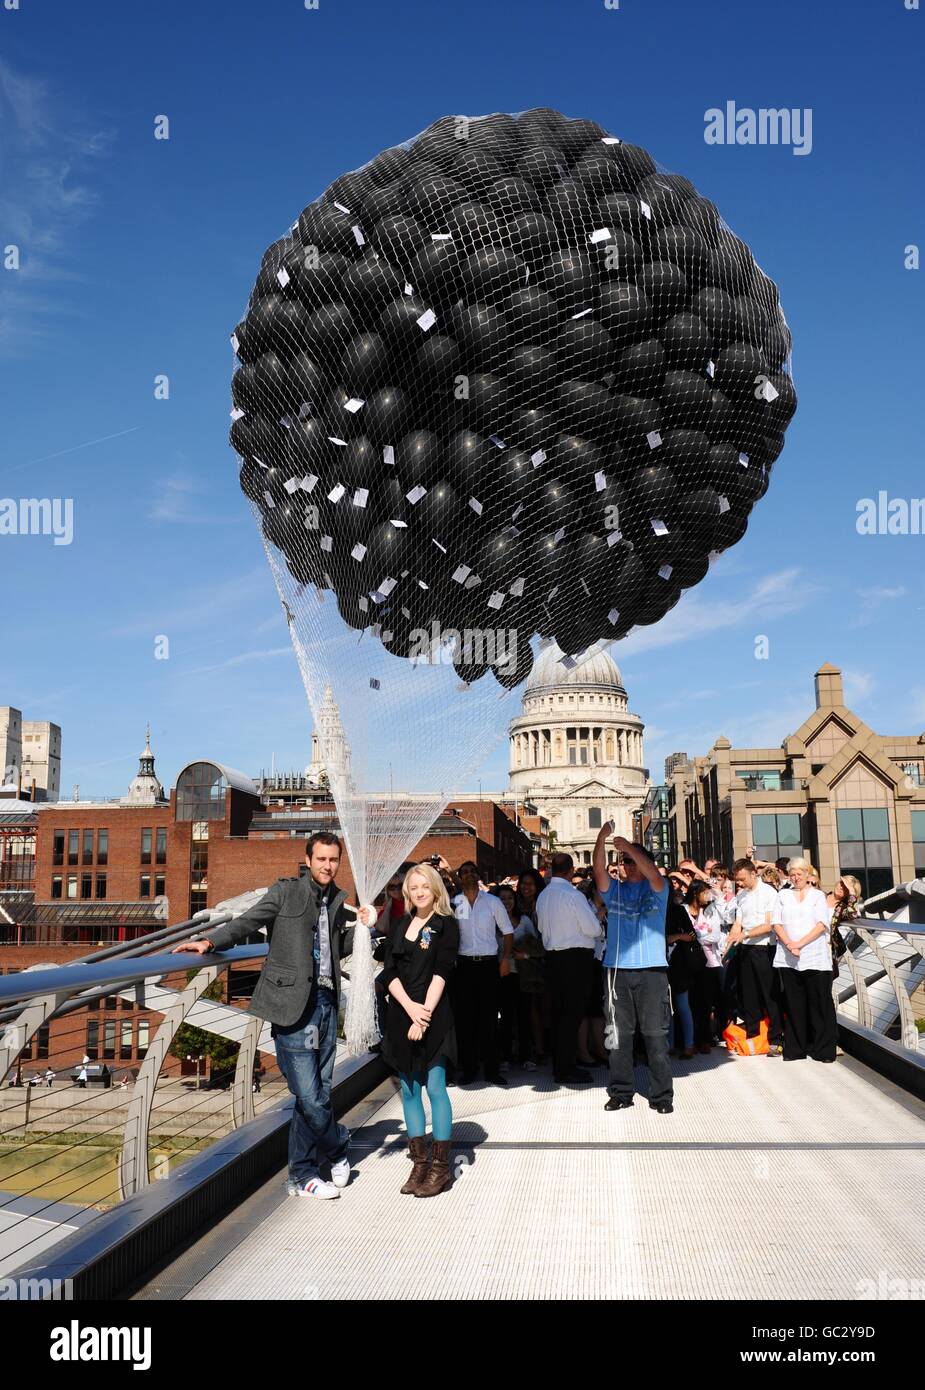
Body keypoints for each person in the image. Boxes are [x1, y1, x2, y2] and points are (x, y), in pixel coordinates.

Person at [172, 831, 371, 1201]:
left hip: (326, 1002)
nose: (328, 866)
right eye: (322, 859)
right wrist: (211, 942)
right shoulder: (285, 892)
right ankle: (339, 1144)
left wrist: (365, 932)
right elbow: (247, 922)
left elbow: (334, 948)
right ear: (308, 860)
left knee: (317, 1094)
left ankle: (302, 1176)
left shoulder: (337, 901)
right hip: (292, 1006)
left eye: (333, 860)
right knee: (310, 1096)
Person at [379, 863, 459, 1197]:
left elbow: (442, 972)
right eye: (413, 887)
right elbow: (388, 972)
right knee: (410, 1090)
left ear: (436, 888)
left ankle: (441, 1168)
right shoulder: (399, 924)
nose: (419, 892)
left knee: (436, 1087)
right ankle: (419, 1164)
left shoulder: (446, 925)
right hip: (401, 1015)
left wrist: (422, 1015)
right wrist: (409, 1010)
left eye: (425, 886)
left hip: (434, 1014)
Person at [593, 825, 673, 1115]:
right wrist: (602, 839)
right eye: (623, 861)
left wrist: (628, 847)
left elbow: (652, 873)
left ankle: (662, 1095)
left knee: (655, 1035)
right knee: (617, 1036)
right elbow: (599, 871)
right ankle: (621, 1092)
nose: (626, 865)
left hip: (651, 971)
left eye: (631, 860)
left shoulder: (658, 889)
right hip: (616, 971)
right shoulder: (613, 890)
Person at [535, 852, 603, 1084]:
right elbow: (593, 929)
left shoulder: (543, 896)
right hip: (575, 960)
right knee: (571, 1015)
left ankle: (561, 1065)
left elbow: (542, 928)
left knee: (559, 1014)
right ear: (571, 870)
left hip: (553, 959)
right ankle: (566, 1068)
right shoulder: (573, 896)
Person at [450, 860, 512, 1085]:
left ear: (478, 874)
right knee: (466, 1021)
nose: (468, 875)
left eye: (471, 871)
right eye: (463, 872)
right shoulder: (455, 903)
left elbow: (507, 932)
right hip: (464, 966)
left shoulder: (493, 902)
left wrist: (505, 959)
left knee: (489, 1020)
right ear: (459, 876)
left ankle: (492, 1070)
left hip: (488, 966)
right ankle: (469, 1069)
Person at [772, 858, 838, 1062]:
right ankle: (796, 1048)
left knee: (819, 1003)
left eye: (799, 873)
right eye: (792, 873)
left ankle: (823, 1050)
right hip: (788, 957)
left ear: (808, 875)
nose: (795, 877)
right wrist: (790, 944)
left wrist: (799, 944)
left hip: (814, 956)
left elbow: (821, 924)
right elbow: (776, 923)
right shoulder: (783, 895)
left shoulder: (818, 896)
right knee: (793, 1003)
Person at [726, 858, 785, 1056]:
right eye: (737, 880)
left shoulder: (769, 893)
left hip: (764, 948)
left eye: (742, 879)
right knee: (748, 994)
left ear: (753, 874)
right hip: (745, 948)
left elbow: (770, 925)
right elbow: (738, 922)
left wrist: (745, 934)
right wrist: (732, 940)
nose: (740, 883)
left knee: (770, 994)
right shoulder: (741, 896)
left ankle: (776, 1039)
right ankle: (753, 1036)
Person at [684, 881, 724, 1051]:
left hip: (709, 962)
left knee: (706, 1003)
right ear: (695, 893)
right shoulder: (683, 910)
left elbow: (715, 936)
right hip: (688, 962)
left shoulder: (711, 911)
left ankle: (705, 1039)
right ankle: (689, 1040)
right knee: (690, 1002)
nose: (708, 896)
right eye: (704, 893)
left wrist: (695, 938)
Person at [827, 874, 861, 975]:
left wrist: (852, 890)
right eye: (841, 883)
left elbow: (853, 914)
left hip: (824, 950)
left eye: (846, 887)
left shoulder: (842, 909)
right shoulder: (819, 896)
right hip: (802, 945)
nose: (842, 887)